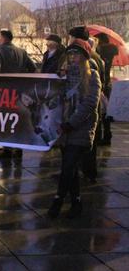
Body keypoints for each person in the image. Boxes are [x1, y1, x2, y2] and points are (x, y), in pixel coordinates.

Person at [47, 39, 101, 219]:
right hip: (64, 129)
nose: (72, 57)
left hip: (80, 128)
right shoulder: (65, 76)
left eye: (76, 53)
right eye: (70, 54)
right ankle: (76, 202)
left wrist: (72, 123)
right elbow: (55, 98)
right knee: (70, 168)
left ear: (84, 56)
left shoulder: (92, 75)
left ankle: (58, 199)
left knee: (68, 166)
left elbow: (90, 103)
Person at [0, 30, 36, 161]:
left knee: (6, 120)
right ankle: (18, 148)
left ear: (2, 38)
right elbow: (33, 68)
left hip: (4, 92)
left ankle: (7, 148)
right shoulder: (21, 52)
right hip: (20, 91)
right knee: (18, 120)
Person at [68, 26, 104, 183]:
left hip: (85, 112)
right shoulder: (95, 56)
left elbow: (90, 95)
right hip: (85, 111)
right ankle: (87, 173)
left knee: (86, 145)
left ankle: (88, 173)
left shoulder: (90, 60)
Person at [95, 32, 118, 145]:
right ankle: (107, 135)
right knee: (106, 110)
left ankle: (101, 136)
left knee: (100, 110)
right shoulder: (111, 51)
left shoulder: (101, 52)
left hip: (101, 83)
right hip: (107, 82)